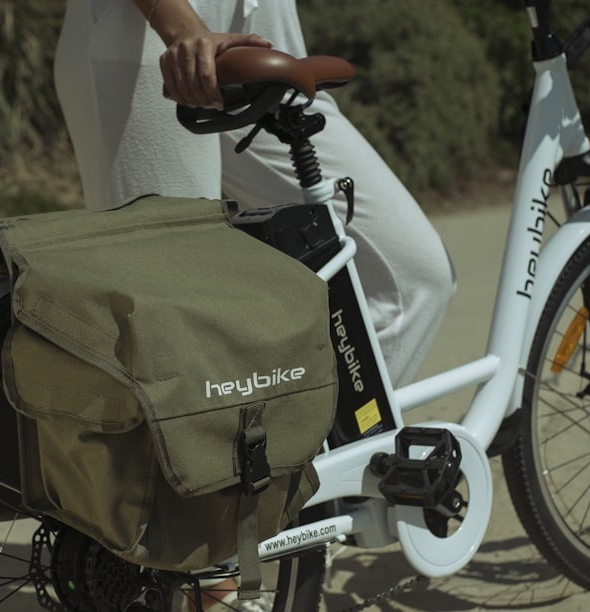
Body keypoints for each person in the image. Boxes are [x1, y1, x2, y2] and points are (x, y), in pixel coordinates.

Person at [54, 0, 456, 393]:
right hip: (145, 39)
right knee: (174, 320)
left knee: (412, 279)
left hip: (266, 40)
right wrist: (185, 29)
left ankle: (299, 449)